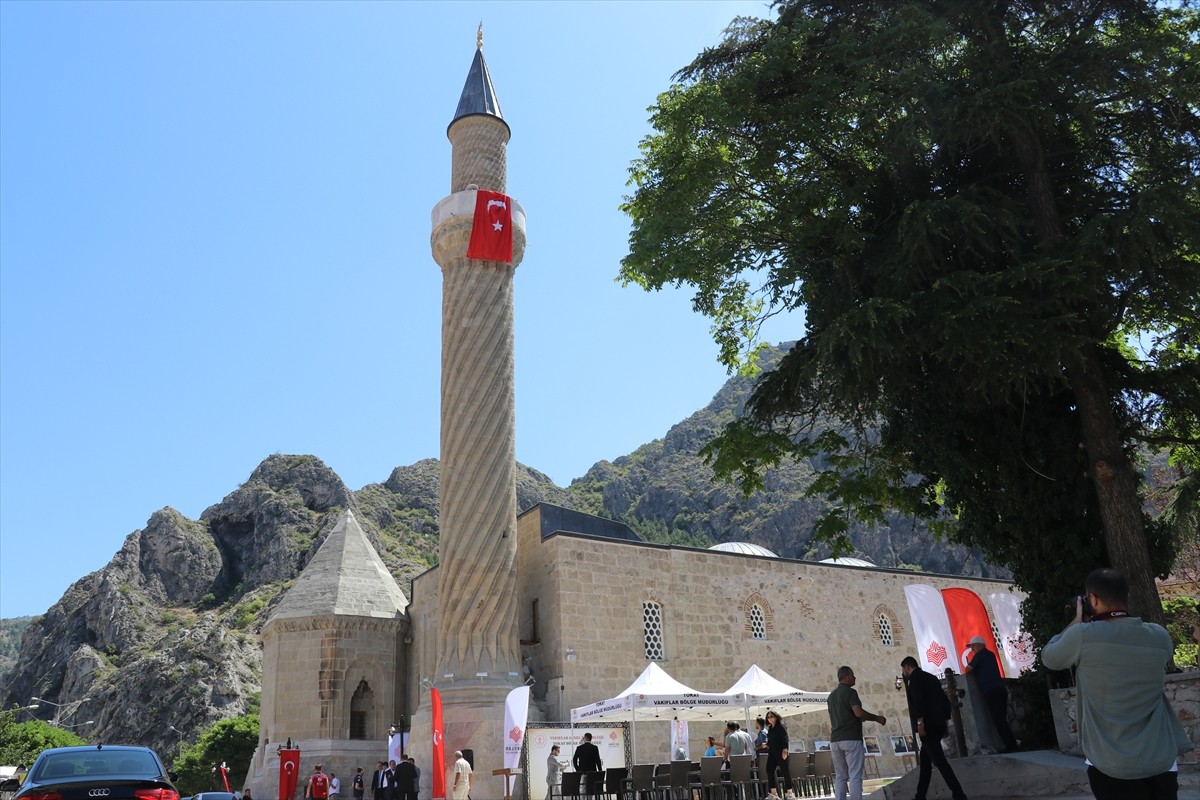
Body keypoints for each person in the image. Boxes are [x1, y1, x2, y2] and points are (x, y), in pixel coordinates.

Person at [1042, 567, 1190, 800]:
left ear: (1093, 599)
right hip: (1160, 759)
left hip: (1111, 764)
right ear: (1126, 596)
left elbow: (1050, 657)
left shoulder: (1083, 635)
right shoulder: (1159, 635)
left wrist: (1078, 618)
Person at [901, 656, 968, 800]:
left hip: (927, 726)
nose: (904, 673)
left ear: (907, 667)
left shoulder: (915, 680)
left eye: (903, 669)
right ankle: (920, 796)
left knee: (940, 762)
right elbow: (945, 702)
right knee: (926, 763)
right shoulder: (931, 678)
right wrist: (945, 722)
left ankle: (959, 794)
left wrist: (920, 724)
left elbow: (919, 702)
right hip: (938, 724)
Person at [826, 666, 887, 800]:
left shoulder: (831, 696)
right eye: (852, 675)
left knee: (841, 776)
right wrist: (877, 718)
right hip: (851, 738)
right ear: (846, 676)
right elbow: (858, 712)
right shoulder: (850, 692)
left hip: (835, 740)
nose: (855, 677)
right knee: (855, 775)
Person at [964, 635, 1018, 753]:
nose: (972, 650)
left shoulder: (980, 655)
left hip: (991, 690)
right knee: (1002, 719)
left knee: (998, 720)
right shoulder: (990, 654)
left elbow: (968, 669)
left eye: (973, 647)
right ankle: (1012, 744)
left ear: (979, 645)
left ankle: (1010, 747)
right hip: (1000, 688)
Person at [763, 710, 796, 799]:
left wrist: (785, 749)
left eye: (772, 716)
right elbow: (771, 740)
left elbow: (785, 737)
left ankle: (790, 793)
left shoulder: (781, 726)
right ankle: (774, 794)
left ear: (776, 717)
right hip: (772, 752)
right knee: (769, 770)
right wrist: (766, 744)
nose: (770, 718)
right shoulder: (770, 728)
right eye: (768, 717)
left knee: (785, 771)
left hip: (781, 752)